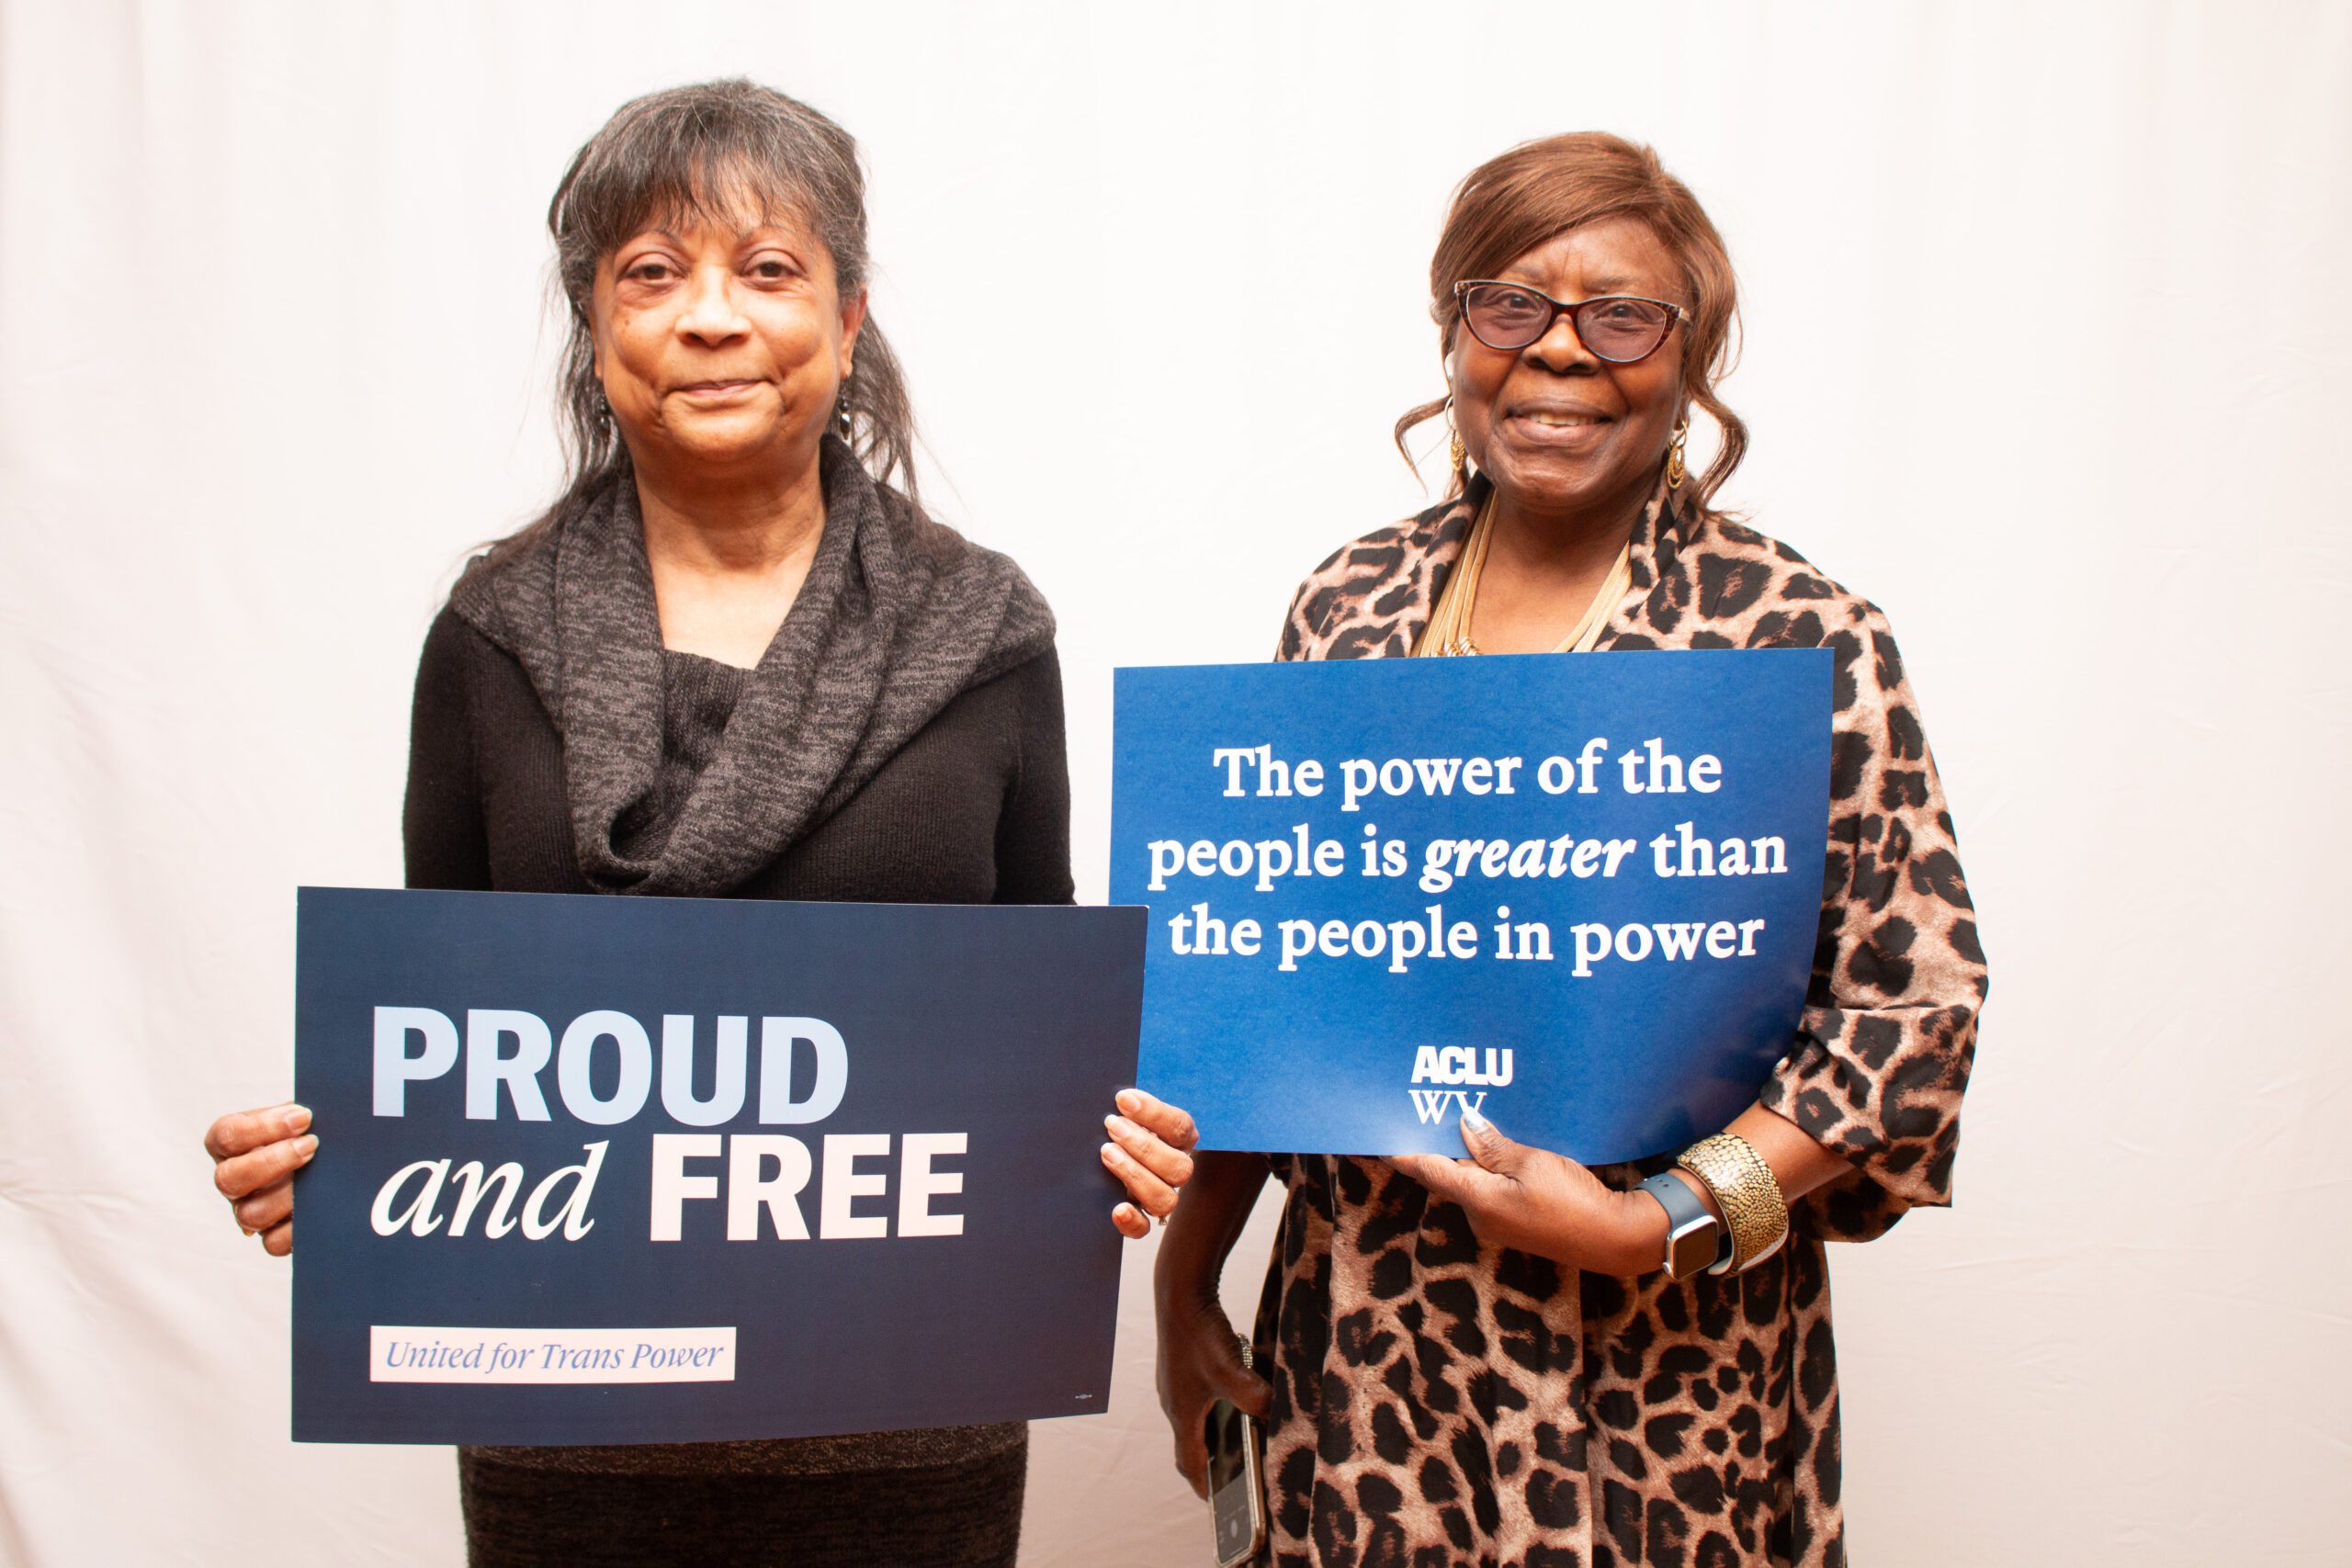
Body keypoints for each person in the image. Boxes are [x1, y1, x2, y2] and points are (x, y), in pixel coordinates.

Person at [201, 79, 1195, 1567]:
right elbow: (453, 1026)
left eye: (769, 270)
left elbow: (1033, 1013)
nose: (711, 317)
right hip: (568, 1425)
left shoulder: (986, 632)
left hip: (911, 1419)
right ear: (599, 333)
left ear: (850, 319)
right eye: (653, 274)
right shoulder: (490, 637)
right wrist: (328, 1158)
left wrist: (1108, 1138)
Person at [1153, 132, 1984, 1567]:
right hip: (1370, 1343)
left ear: (1688, 356)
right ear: (1453, 331)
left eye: (1620, 318)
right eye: (1511, 308)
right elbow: (1272, 982)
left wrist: (1655, 1222)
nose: (1558, 357)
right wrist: (1183, 1289)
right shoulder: (1348, 606)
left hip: (1675, 1360)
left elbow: (1911, 1014)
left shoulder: (1796, 636)